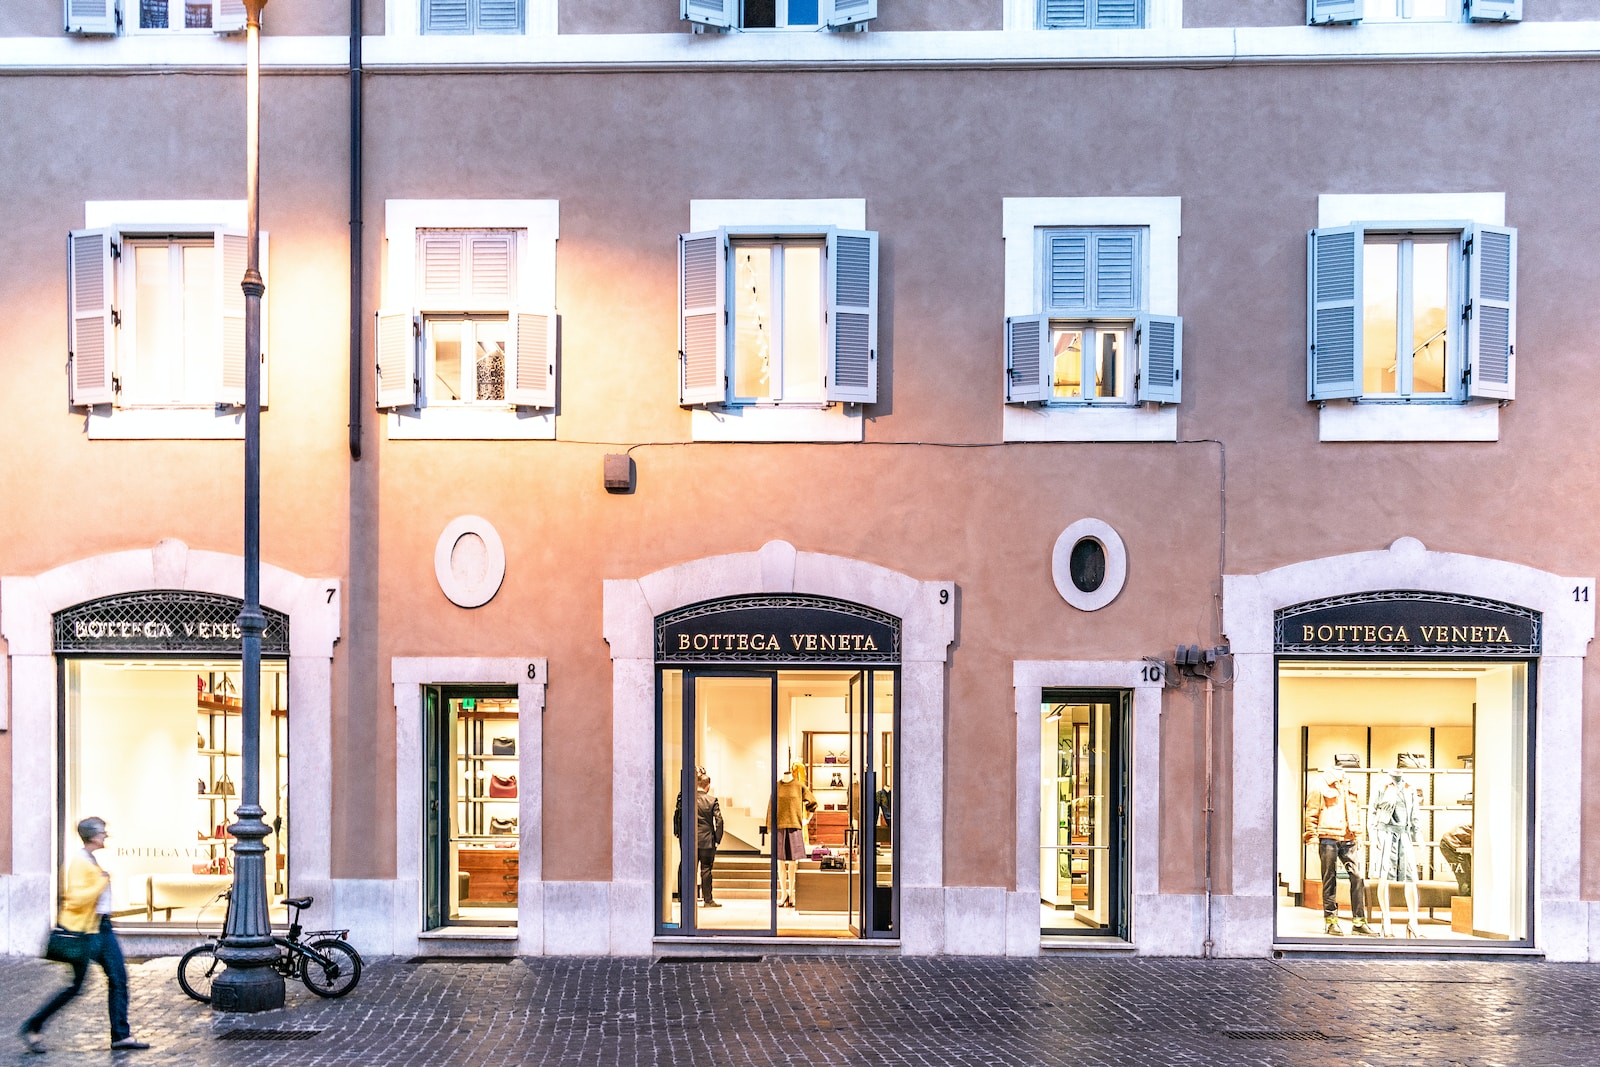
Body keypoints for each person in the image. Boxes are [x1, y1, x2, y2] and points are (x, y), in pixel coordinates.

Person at [20, 817, 150, 1053]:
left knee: (116, 978)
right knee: (80, 986)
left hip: (101, 928)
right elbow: (77, 898)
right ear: (92, 835)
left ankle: (120, 1035)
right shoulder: (80, 862)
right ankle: (33, 1026)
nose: (105, 836)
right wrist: (101, 882)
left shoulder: (89, 859)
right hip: (90, 932)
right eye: (102, 832)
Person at [1304, 768, 1379, 937]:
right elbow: (1311, 813)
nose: (1343, 773)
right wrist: (1312, 838)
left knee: (1357, 877)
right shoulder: (1319, 785)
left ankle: (1359, 922)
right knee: (1329, 880)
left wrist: (1358, 835)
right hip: (1328, 837)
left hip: (1348, 838)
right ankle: (1331, 922)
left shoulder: (1350, 784)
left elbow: (1355, 812)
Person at [1368, 771, 1423, 938]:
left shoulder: (1409, 787)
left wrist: (1418, 836)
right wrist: (1372, 836)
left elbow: (1415, 814)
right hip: (1384, 834)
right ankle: (1386, 921)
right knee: (1384, 877)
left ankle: (1413, 921)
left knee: (1411, 878)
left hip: (1404, 835)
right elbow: (1372, 812)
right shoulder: (1381, 786)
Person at [763, 763, 817, 908]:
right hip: (779, 827)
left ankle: (792, 893)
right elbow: (771, 807)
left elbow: (813, 803)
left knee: (793, 863)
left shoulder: (799, 786)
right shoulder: (777, 786)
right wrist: (769, 826)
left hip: (794, 826)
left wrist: (807, 819)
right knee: (780, 863)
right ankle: (783, 893)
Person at [694, 768, 725, 908]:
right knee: (706, 870)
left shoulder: (690, 799)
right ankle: (708, 900)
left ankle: (688, 899)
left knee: (690, 869)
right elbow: (719, 821)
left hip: (692, 840)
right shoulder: (712, 800)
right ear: (708, 786)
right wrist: (716, 839)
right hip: (707, 841)